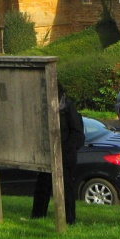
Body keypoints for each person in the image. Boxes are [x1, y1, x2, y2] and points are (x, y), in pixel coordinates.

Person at [32, 83, 86, 224]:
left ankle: (69, 220)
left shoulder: (67, 108)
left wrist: (66, 151)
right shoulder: (44, 107)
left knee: (66, 188)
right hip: (48, 154)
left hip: (65, 156)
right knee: (42, 186)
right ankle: (37, 216)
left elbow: (77, 133)